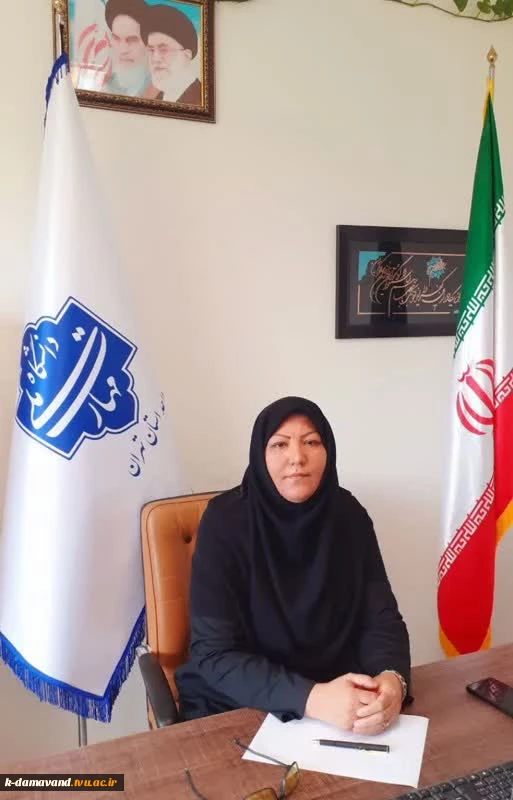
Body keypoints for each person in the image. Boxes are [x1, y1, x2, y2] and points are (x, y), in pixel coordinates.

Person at [175, 396, 412, 735]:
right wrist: (312, 698)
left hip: (341, 701)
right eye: (280, 444)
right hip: (239, 704)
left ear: (328, 450)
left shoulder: (349, 516)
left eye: (311, 442)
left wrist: (393, 679)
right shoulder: (224, 522)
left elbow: (381, 620)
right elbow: (213, 654)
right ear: (260, 454)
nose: (297, 457)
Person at [140, 4, 202, 105]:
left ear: (186, 56)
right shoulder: (157, 100)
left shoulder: (200, 98)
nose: (155, 58)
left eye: (164, 50)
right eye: (151, 50)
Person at [103, 0, 154, 97]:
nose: (123, 50)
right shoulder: (104, 85)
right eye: (116, 38)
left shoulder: (160, 88)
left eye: (132, 40)